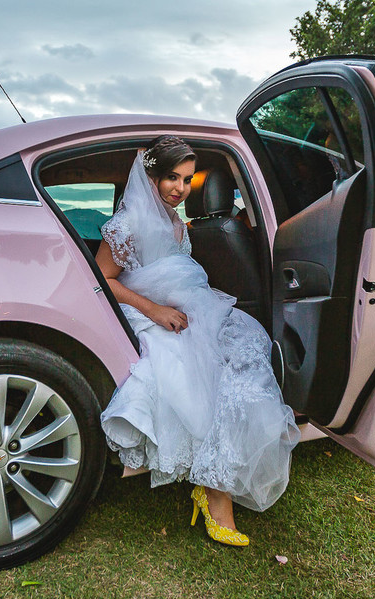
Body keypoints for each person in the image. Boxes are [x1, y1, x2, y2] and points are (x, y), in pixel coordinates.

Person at [96, 135, 300, 547]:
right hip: (151, 312)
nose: (181, 188)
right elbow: (103, 279)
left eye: (188, 180)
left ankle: (217, 481)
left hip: (194, 307)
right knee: (199, 373)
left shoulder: (178, 225)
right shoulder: (126, 224)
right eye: (172, 177)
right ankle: (215, 495)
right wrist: (155, 311)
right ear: (152, 177)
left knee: (245, 356)